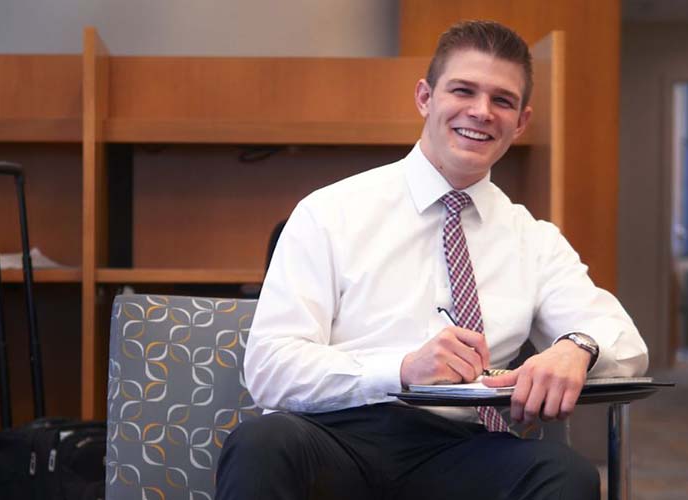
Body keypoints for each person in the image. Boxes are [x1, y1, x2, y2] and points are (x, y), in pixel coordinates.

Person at [216, 20, 648, 500]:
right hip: (336, 433)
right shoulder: (329, 212)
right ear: (425, 97)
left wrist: (578, 346)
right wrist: (401, 369)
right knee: (261, 444)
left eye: (502, 100)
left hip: (463, 448)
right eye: (463, 90)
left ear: (521, 122)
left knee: (565, 474)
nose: (481, 112)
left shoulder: (534, 239)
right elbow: (269, 367)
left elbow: (626, 344)